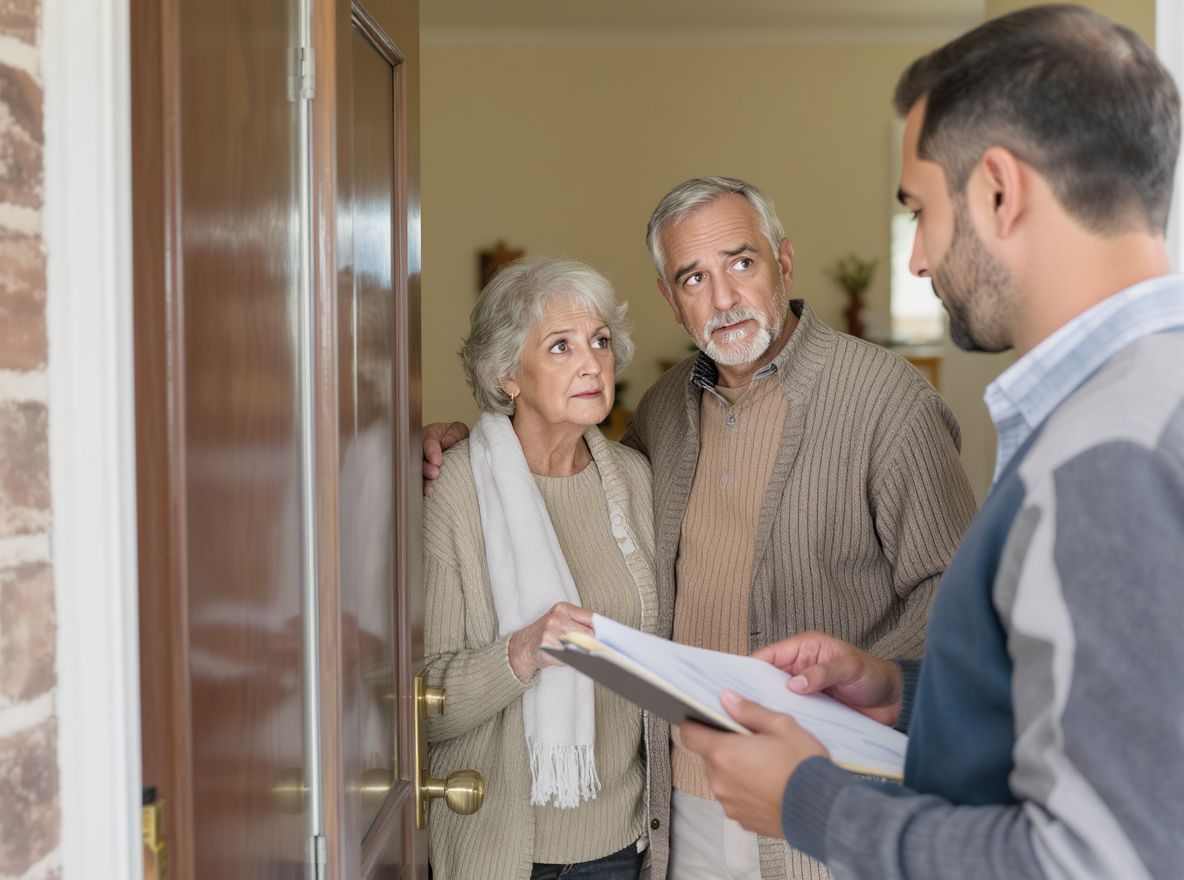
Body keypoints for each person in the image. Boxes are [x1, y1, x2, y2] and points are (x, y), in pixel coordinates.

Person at [680, 6, 1184, 879]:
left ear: (998, 189)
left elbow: (1101, 862)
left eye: (920, 208)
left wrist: (811, 801)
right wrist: (907, 694)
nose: (916, 259)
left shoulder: (1110, 456)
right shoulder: (1137, 403)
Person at [424, 176, 977, 879]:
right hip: (679, 808)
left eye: (741, 263)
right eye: (694, 276)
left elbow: (957, 598)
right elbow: (551, 491)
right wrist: (436, 442)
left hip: (822, 791)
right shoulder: (660, 412)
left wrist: (860, 689)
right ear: (669, 295)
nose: (723, 298)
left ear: (784, 260)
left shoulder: (887, 400)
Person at [422, 256, 663, 880]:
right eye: (561, 346)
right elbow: (420, 701)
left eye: (601, 342)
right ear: (507, 374)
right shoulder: (452, 489)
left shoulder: (634, 481)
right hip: (508, 850)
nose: (592, 363)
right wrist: (523, 652)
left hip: (624, 842)